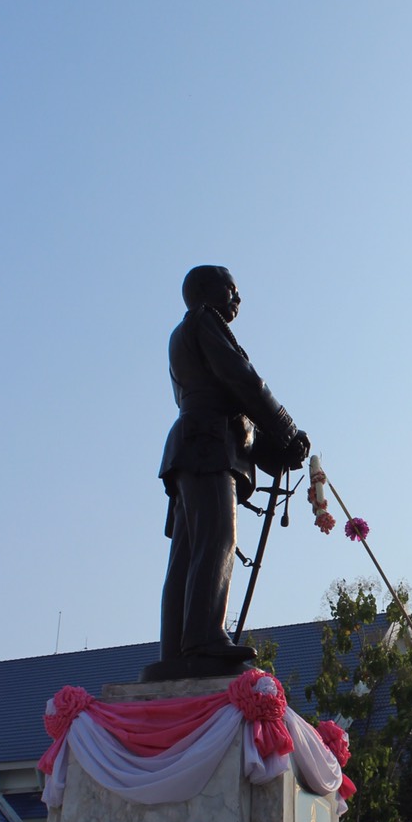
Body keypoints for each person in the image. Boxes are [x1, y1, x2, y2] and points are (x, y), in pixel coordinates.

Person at [151, 265, 309, 676]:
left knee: (188, 550)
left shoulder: (184, 334)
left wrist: (276, 451)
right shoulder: (205, 322)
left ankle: (177, 649)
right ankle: (204, 637)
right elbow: (242, 381)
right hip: (207, 442)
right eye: (231, 290)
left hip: (198, 441)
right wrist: (286, 427)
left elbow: (234, 408)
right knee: (218, 535)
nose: (238, 299)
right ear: (207, 291)